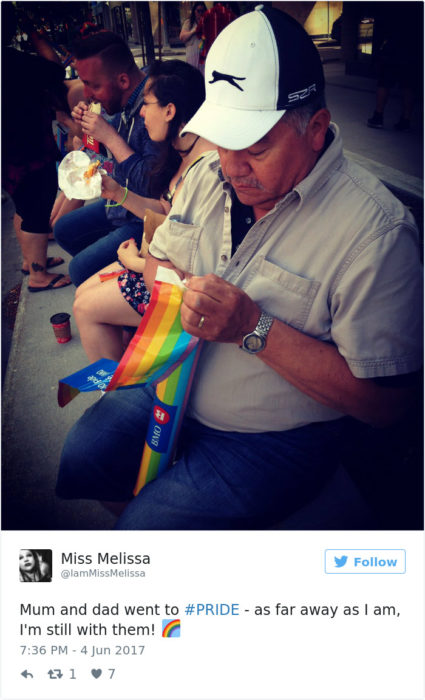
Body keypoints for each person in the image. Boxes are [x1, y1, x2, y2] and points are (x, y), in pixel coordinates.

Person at [56, 7, 422, 530]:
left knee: (145, 531)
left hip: (272, 437)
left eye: (255, 147)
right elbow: (163, 253)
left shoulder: (377, 234)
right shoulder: (208, 173)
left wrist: (255, 329)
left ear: (316, 128)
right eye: (222, 141)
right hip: (173, 380)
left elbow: (390, 406)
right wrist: (170, 283)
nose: (230, 165)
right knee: (84, 458)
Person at [73, 60, 215, 363]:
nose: (140, 112)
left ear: (170, 111)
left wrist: (136, 263)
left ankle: (121, 392)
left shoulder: (206, 165)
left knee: (85, 309)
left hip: (178, 289)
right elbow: (164, 209)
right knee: (82, 291)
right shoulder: (181, 148)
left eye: (147, 104)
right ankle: (127, 367)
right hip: (156, 263)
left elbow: (193, 264)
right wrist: (115, 191)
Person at [53, 31, 161, 287]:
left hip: (145, 215)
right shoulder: (122, 102)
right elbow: (105, 152)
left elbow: (151, 185)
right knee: (63, 229)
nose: (87, 94)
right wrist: (88, 127)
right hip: (120, 202)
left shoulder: (154, 106)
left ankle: (115, 287)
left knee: (79, 269)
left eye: (94, 85)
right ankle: (108, 276)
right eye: (85, 83)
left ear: (123, 80)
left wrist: (110, 136)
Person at [1, 3, 71, 292]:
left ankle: (31, 262)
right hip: (27, 150)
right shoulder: (14, 63)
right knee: (37, 209)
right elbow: (56, 70)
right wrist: (36, 34)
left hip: (8, 154)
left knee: (23, 205)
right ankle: (39, 276)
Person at [179, 2, 207, 73]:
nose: (200, 13)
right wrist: (194, 31)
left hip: (203, 56)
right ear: (194, 11)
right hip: (192, 56)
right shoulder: (188, 23)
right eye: (198, 11)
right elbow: (182, 38)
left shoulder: (207, 22)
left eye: (202, 11)